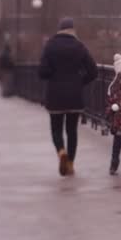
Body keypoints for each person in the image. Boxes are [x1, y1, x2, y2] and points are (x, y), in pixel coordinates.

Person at [38, 17, 98, 176]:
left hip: (55, 96)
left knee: (56, 129)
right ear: (73, 30)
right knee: (72, 131)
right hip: (74, 96)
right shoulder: (79, 46)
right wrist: (80, 82)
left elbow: (42, 71)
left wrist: (53, 76)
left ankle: (61, 152)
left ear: (59, 30)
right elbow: (93, 71)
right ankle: (70, 163)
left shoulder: (50, 46)